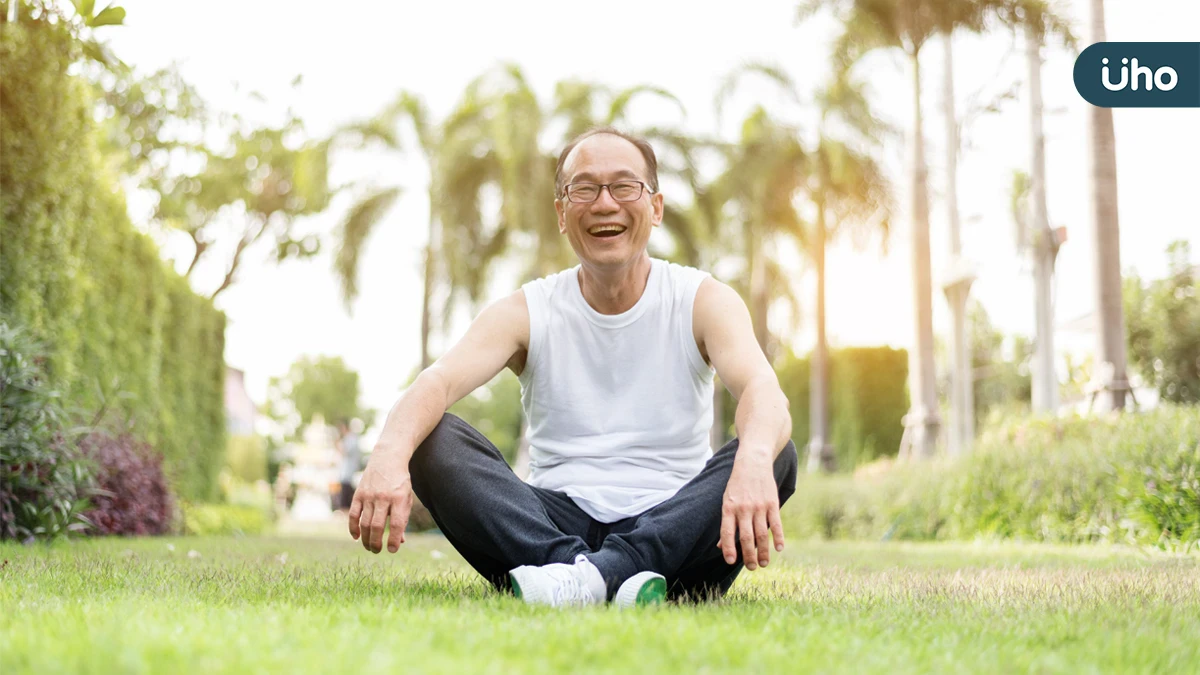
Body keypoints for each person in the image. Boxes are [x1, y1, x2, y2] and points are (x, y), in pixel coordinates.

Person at [349, 127, 797, 607]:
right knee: (431, 439)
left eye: (624, 187)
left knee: (775, 452)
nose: (605, 203)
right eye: (584, 188)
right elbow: (437, 382)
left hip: (673, 524)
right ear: (563, 213)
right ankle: (609, 577)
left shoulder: (702, 300)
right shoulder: (528, 309)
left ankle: (578, 582)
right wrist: (389, 453)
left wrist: (753, 462)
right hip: (552, 522)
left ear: (656, 207)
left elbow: (762, 391)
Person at [335, 420, 361, 513]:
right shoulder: (349, 439)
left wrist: (337, 443)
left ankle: (346, 511)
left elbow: (344, 451)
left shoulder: (351, 438)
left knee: (347, 492)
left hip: (349, 472)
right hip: (347, 471)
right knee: (346, 491)